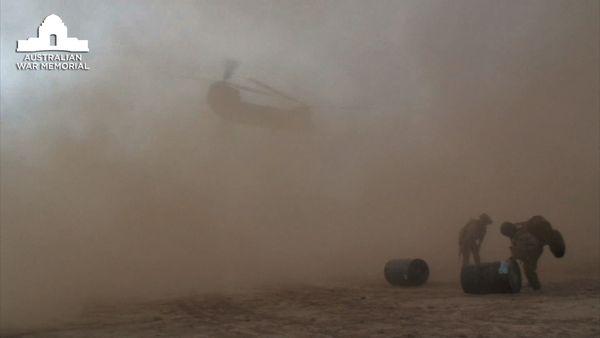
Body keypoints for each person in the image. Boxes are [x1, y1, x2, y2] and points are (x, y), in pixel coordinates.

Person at [500, 215, 565, 290]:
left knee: (528, 269)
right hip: (532, 249)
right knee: (522, 266)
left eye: (506, 233)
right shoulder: (519, 228)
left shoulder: (521, 234)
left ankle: (536, 286)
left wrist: (516, 255)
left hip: (534, 250)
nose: (507, 235)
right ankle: (502, 275)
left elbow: (530, 245)